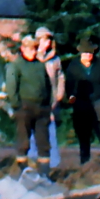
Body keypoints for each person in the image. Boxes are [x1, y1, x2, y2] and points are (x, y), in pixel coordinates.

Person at [65, 38, 100, 167]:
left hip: (99, 99)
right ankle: (85, 163)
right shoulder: (73, 67)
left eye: (90, 53)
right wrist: (70, 95)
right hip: (82, 101)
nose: (88, 55)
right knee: (83, 132)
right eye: (85, 53)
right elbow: (68, 84)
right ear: (80, 53)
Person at [5, 35, 52, 168]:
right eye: (30, 48)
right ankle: (22, 171)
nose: (33, 51)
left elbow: (48, 86)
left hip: (41, 109)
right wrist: (17, 106)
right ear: (23, 49)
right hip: (24, 108)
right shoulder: (16, 66)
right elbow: (11, 86)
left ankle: (44, 174)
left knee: (43, 143)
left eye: (35, 48)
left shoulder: (40, 66)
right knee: (23, 142)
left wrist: (48, 106)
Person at [35, 27, 65, 167]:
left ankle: (52, 164)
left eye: (48, 40)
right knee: (33, 134)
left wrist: (59, 95)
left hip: (51, 102)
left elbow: (60, 77)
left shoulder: (55, 59)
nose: (46, 43)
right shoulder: (33, 57)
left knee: (50, 132)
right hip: (34, 102)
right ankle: (33, 163)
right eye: (44, 40)